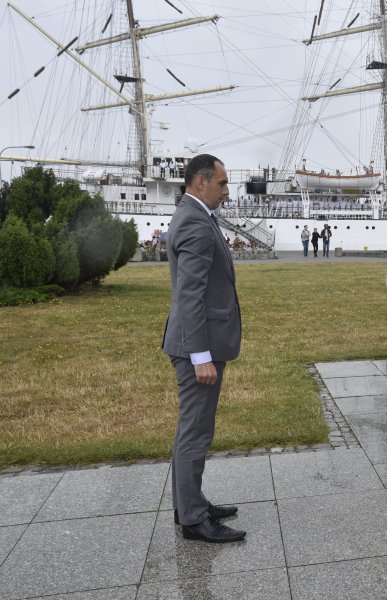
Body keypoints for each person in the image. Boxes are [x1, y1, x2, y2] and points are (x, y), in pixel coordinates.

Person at [162, 153, 245, 544]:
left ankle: (189, 503)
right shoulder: (195, 222)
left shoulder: (192, 215)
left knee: (192, 429)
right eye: (222, 183)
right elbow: (190, 295)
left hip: (199, 342)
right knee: (195, 431)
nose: (226, 191)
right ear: (200, 182)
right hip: (199, 346)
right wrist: (200, 356)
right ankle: (193, 519)